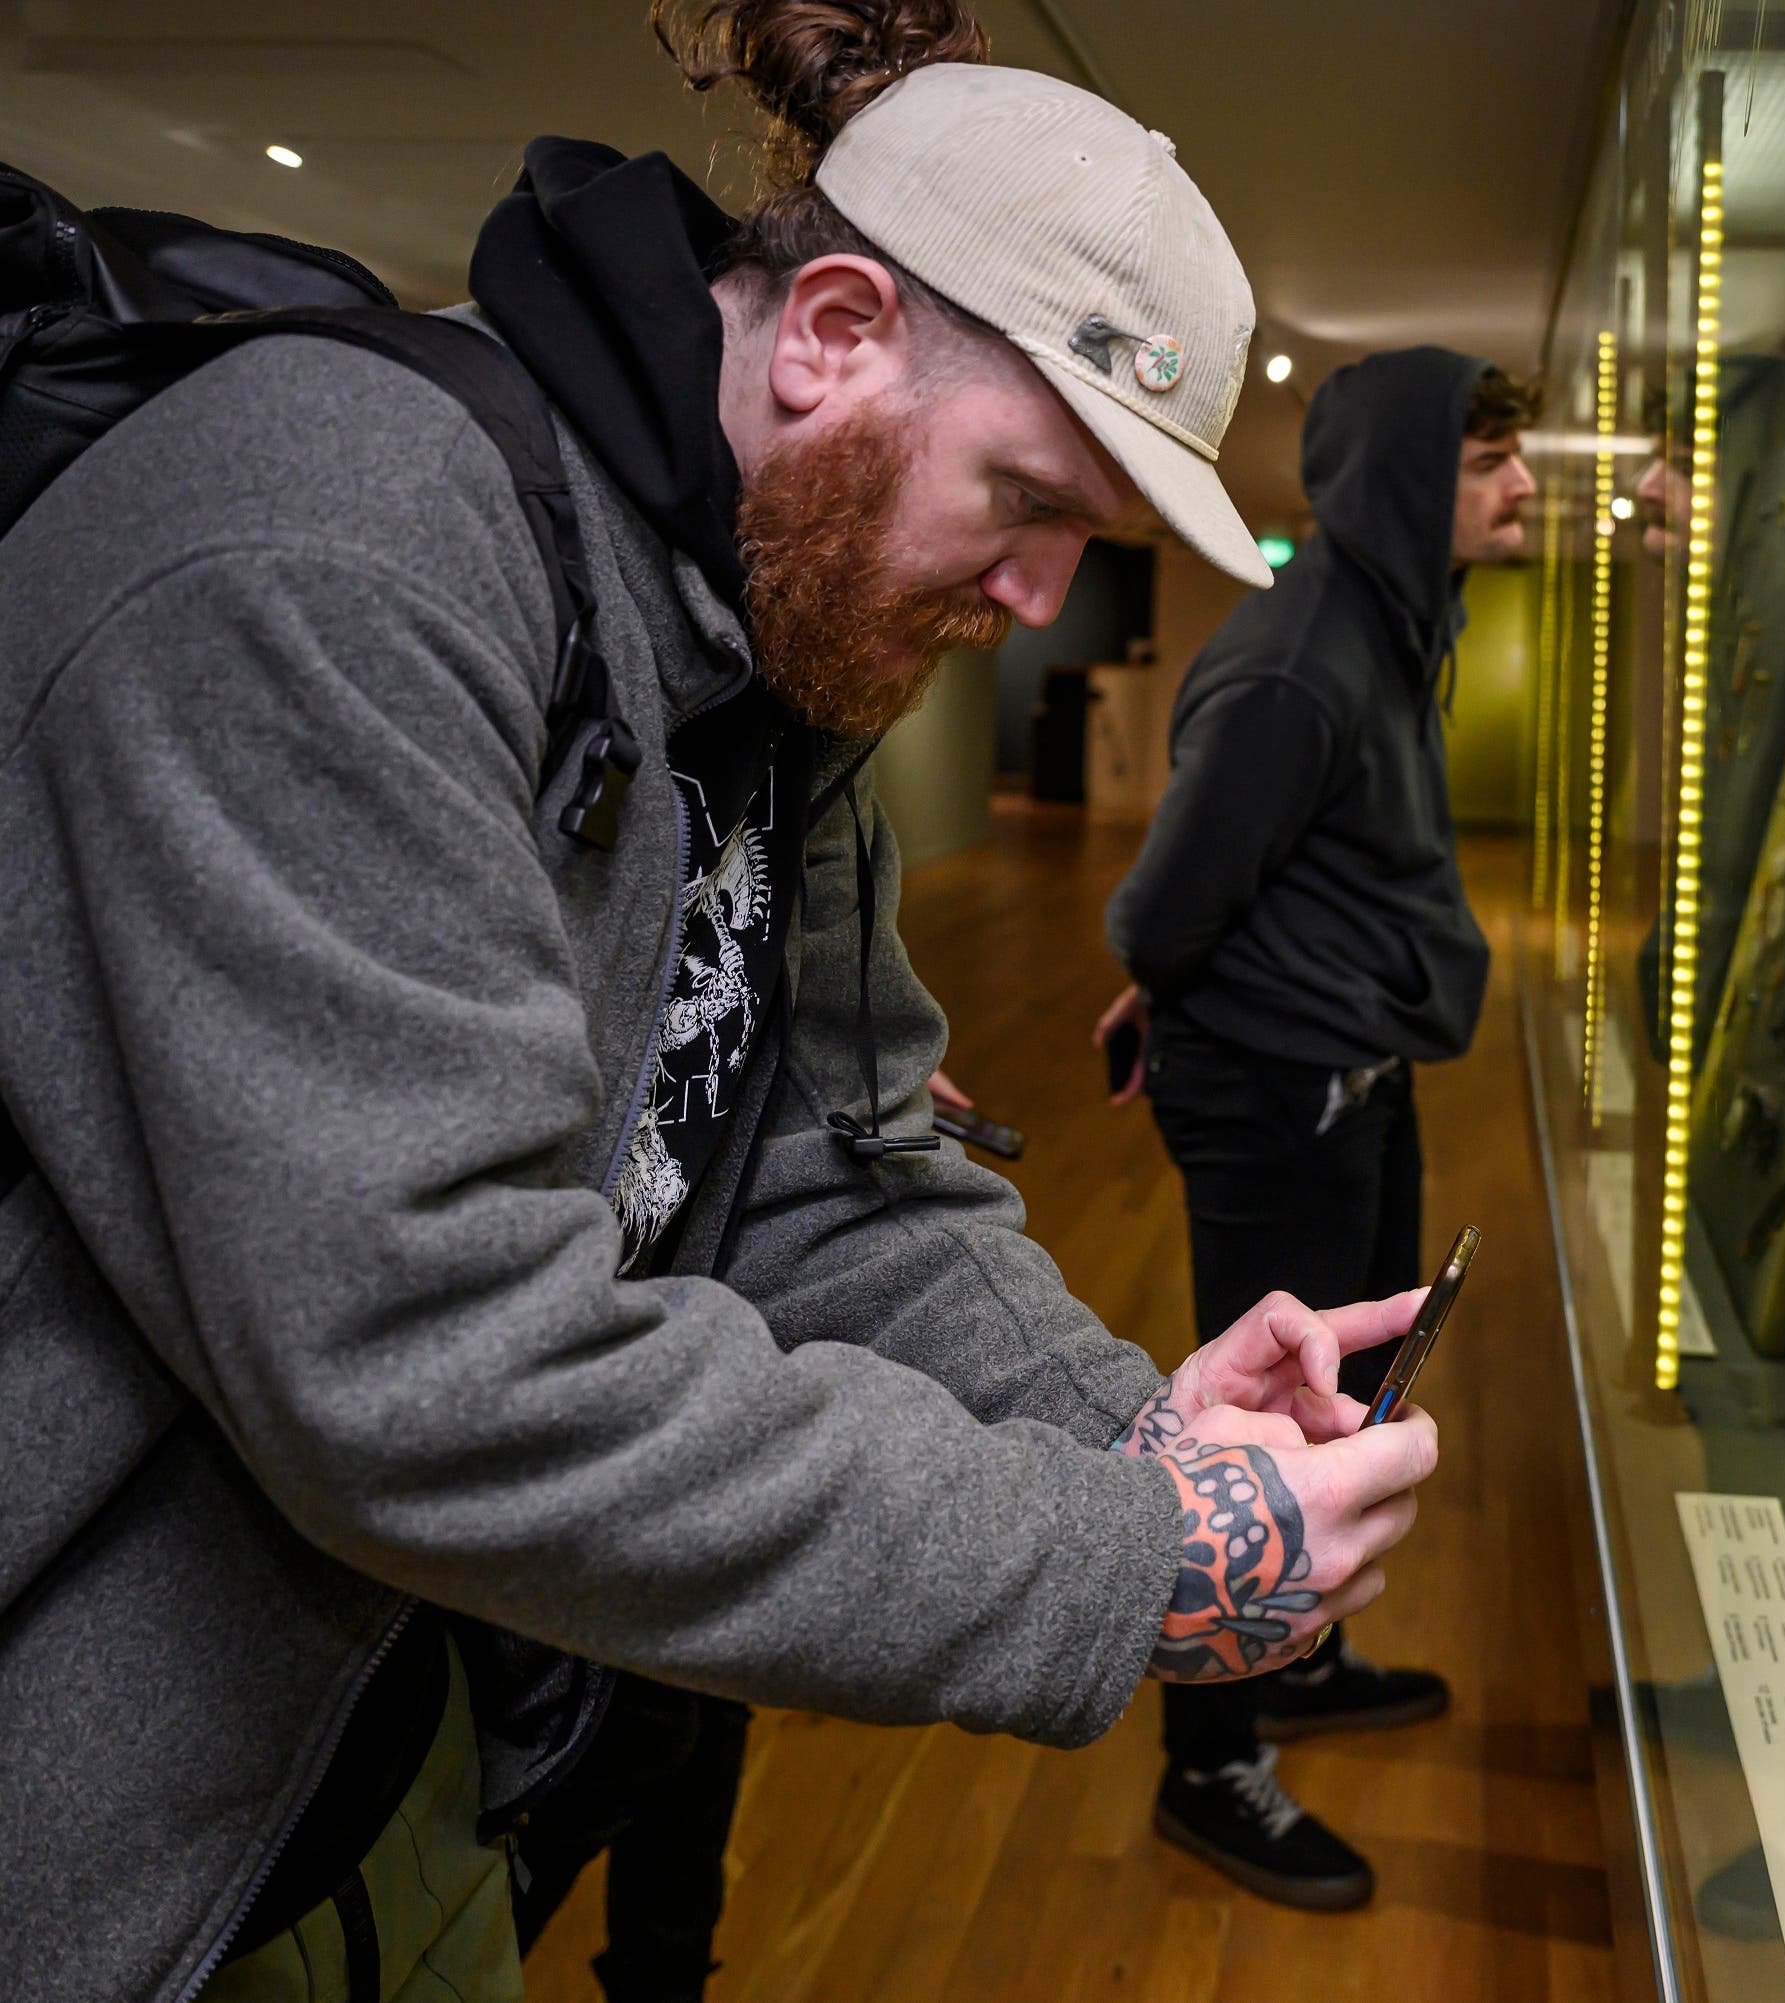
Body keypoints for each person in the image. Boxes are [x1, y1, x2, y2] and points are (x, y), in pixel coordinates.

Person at [0, 6, 1444, 2000]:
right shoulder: (328, 541)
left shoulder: (769, 643)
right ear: (833, 332)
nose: (1041, 601)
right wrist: (1132, 1561)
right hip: (86, 1828)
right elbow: (430, 1370)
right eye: (1026, 498)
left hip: (374, 1732)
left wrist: (1129, 1433)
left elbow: (827, 1167)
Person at [1100, 348, 1536, 1907]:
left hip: (1352, 1076)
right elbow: (1163, 906)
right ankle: (1209, 1760)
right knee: (1266, 1429)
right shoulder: (1297, 663)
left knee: (1347, 1391)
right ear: (1410, 483)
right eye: (1486, 461)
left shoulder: (1388, 628)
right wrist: (1166, 988)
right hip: (1275, 1091)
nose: (1521, 485)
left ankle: (1295, 1660)